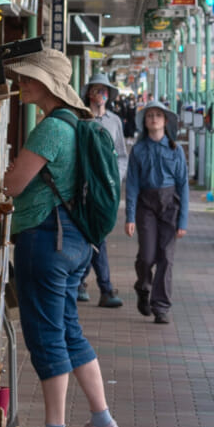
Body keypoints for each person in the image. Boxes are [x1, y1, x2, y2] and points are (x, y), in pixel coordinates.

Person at [0, 48, 121, 427]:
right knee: (68, 330)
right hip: (75, 242)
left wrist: (7, 171)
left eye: (28, 78)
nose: (22, 83)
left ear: (47, 84)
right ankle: (101, 421)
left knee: (46, 334)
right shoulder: (77, 122)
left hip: (45, 239)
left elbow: (14, 184)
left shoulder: (51, 128)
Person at [125, 100, 189, 324]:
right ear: (144, 121)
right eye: (149, 115)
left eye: (158, 115)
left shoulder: (175, 149)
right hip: (146, 206)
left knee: (166, 257)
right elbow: (131, 184)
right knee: (147, 256)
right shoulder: (139, 149)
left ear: (165, 121)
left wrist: (183, 220)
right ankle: (143, 287)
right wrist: (130, 216)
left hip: (170, 205)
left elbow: (183, 184)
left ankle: (161, 306)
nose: (153, 118)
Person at [80, 75, 127, 309]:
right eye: (96, 90)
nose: (100, 95)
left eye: (104, 90)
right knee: (94, 236)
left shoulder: (114, 122)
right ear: (89, 93)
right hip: (83, 188)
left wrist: (114, 179)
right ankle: (102, 287)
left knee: (98, 235)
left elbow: (121, 155)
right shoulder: (81, 118)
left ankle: (87, 283)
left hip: (106, 190)